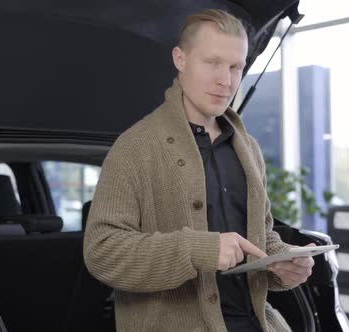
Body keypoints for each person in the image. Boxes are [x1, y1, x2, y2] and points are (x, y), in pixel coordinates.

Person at [83, 9, 314, 332]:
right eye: (212, 63)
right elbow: (103, 252)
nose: (226, 80)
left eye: (236, 67)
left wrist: (280, 262)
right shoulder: (135, 147)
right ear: (180, 59)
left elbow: (261, 235)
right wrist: (197, 250)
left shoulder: (249, 149)